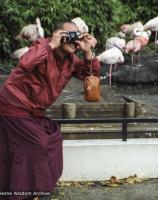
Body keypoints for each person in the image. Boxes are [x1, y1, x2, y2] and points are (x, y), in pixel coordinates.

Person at [0, 21, 100, 200]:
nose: (74, 40)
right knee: (40, 144)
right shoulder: (42, 46)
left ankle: (23, 191)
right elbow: (25, 64)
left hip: (33, 112)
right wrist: (52, 44)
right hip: (13, 105)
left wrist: (86, 52)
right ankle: (28, 193)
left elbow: (91, 75)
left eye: (76, 36)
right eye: (69, 36)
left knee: (52, 138)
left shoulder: (71, 60)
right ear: (58, 34)